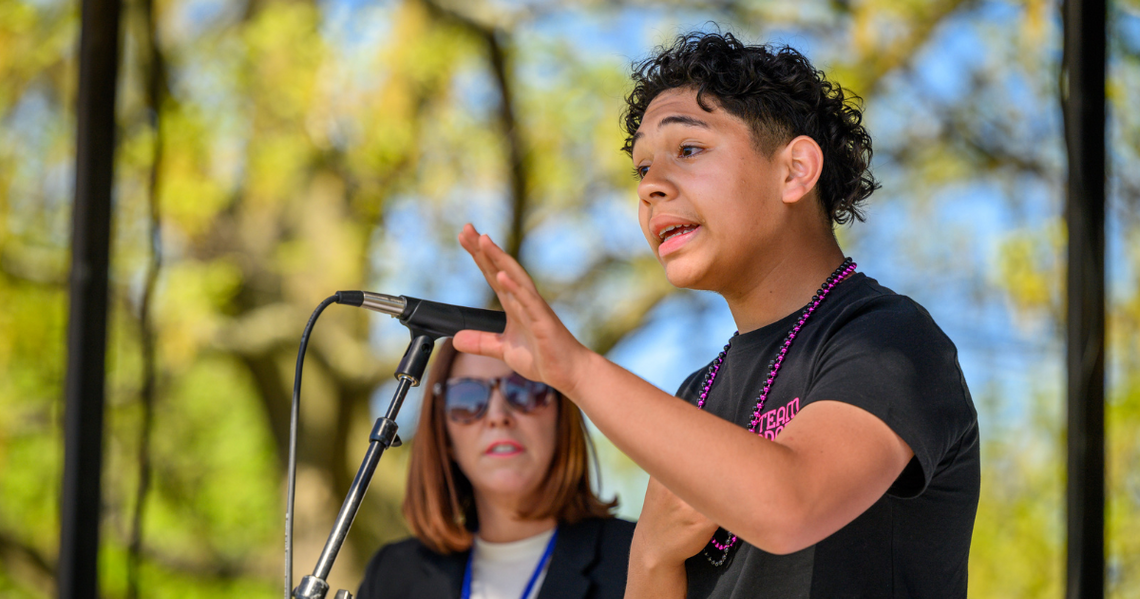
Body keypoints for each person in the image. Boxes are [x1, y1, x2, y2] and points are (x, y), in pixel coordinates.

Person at [451, 31, 979, 599]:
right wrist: (651, 555)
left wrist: (577, 370)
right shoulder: (694, 395)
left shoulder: (890, 340)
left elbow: (789, 504)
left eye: (689, 150)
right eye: (642, 169)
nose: (651, 186)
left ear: (795, 170)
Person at [358, 338, 635, 599]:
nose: (498, 415)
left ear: (561, 416)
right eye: (467, 397)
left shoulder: (635, 558)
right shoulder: (392, 576)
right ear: (444, 437)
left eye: (524, 389)